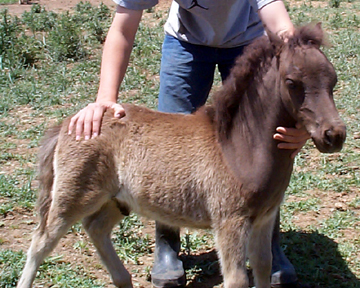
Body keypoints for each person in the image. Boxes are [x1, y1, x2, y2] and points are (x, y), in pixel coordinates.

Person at [68, 1, 310, 287]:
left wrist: (303, 112)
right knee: (171, 144)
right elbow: (123, 26)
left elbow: (282, 28)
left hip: (248, 40)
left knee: (264, 140)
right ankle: (167, 246)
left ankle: (267, 245)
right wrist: (106, 98)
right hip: (187, 42)